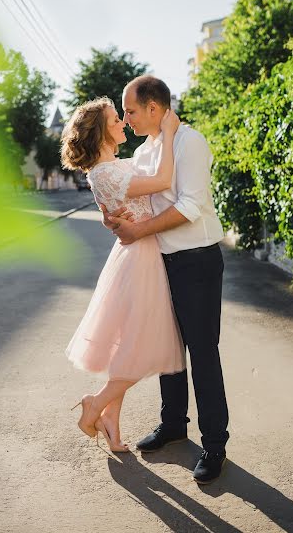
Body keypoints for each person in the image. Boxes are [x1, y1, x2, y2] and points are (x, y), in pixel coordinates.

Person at [101, 75, 229, 484]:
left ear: (154, 108)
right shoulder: (144, 149)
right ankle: (173, 424)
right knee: (168, 350)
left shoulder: (189, 142)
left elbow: (190, 205)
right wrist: (114, 214)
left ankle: (214, 445)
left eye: (131, 110)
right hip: (161, 261)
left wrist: (139, 231)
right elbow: (130, 192)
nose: (127, 117)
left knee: (202, 352)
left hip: (197, 262)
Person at [61, 96, 185, 453]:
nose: (121, 123)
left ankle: (111, 421)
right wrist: (170, 130)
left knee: (131, 346)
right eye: (116, 119)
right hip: (139, 261)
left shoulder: (110, 168)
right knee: (143, 347)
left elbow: (111, 208)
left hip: (137, 256)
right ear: (101, 133)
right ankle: (95, 404)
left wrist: (108, 217)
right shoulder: (110, 172)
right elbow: (163, 179)